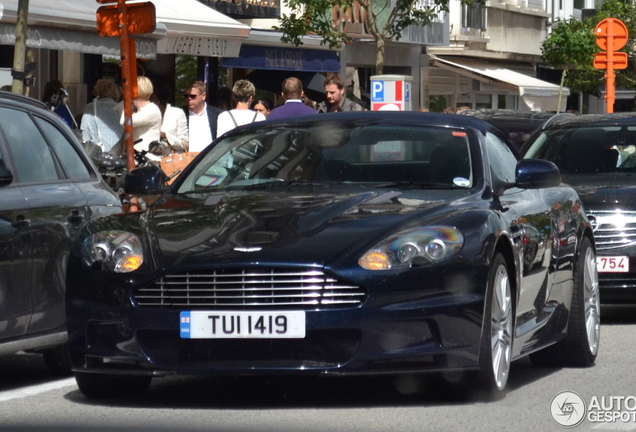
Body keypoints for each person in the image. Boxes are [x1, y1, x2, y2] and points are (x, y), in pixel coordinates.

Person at [120, 76, 162, 158]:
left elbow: (124, 121)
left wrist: (127, 102)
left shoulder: (151, 110)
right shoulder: (141, 110)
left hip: (147, 160)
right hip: (139, 158)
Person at [80, 78, 124, 152]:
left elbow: (85, 133)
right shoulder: (120, 108)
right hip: (119, 152)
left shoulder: (90, 107)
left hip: (100, 153)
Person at [182, 80, 223, 153]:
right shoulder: (181, 114)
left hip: (210, 160)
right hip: (188, 160)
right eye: (186, 96)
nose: (189, 99)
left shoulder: (218, 115)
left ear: (203, 96)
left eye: (193, 96)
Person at [151, 80, 188, 154]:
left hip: (171, 162)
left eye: (152, 98)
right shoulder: (146, 113)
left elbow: (185, 144)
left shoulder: (177, 113)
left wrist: (165, 136)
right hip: (151, 161)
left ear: (161, 98)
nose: (149, 101)